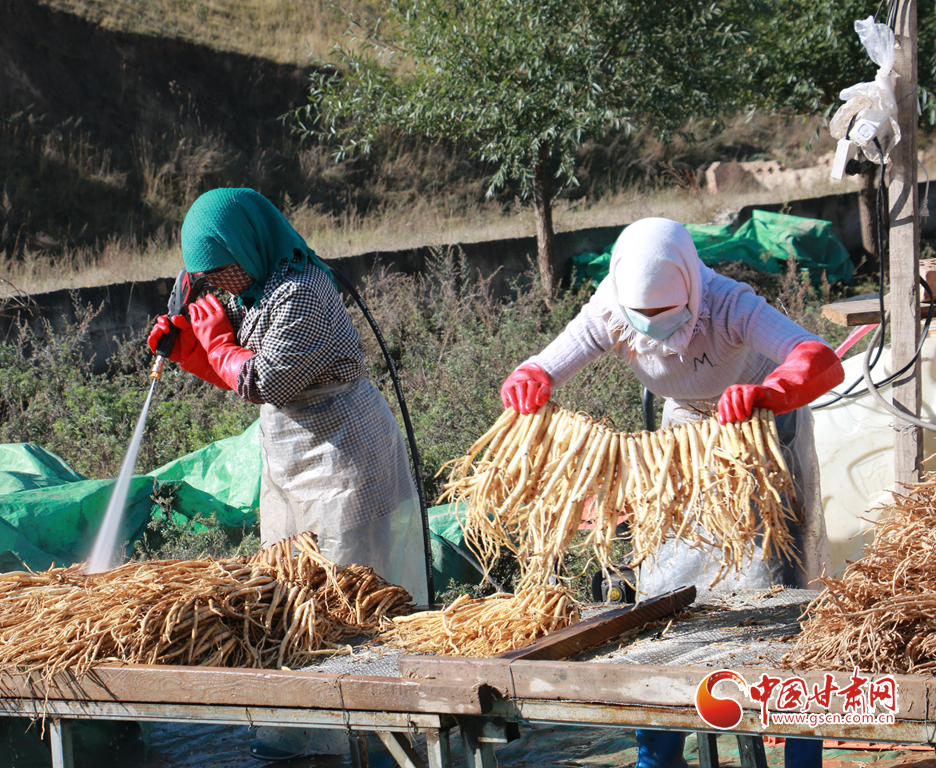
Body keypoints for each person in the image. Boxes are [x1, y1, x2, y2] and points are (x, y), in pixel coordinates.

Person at [500, 217, 844, 768]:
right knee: (668, 592)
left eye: (665, 312)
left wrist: (769, 391)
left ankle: (801, 756)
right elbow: (546, 364)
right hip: (683, 438)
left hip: (757, 430)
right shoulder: (611, 308)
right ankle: (658, 755)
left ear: (689, 285)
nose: (654, 324)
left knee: (780, 599)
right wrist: (529, 378)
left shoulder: (728, 304)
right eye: (645, 315)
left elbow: (819, 359)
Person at [148, 187, 427, 760]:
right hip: (290, 450)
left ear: (249, 245)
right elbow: (244, 379)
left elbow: (269, 380)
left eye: (221, 268)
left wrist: (216, 342)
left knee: (355, 591)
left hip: (344, 451)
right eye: (204, 277)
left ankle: (387, 735)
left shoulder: (302, 292)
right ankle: (313, 737)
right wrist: (192, 350)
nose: (216, 283)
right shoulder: (250, 293)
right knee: (292, 590)